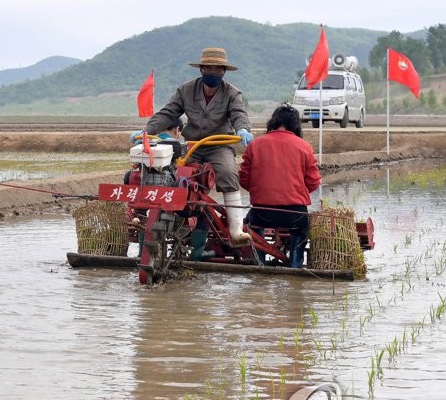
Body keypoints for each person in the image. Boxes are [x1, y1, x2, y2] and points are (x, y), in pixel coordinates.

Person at [133, 47, 254, 244]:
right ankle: (163, 219)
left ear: (224, 71)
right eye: (209, 68)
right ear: (201, 69)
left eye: (217, 69)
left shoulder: (232, 93)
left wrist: (242, 129)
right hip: (192, 145)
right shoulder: (186, 90)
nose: (213, 72)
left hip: (218, 145)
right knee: (172, 175)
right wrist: (146, 130)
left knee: (228, 173)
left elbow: (239, 114)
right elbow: (168, 113)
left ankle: (236, 230)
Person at [238, 104, 321, 267]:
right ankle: (295, 265)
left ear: (273, 122)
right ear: (295, 125)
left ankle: (259, 262)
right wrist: (296, 192)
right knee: (302, 228)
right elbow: (313, 182)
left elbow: (244, 180)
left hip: (262, 212)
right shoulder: (304, 147)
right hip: (295, 214)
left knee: (251, 225)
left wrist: (262, 191)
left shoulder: (254, 145)